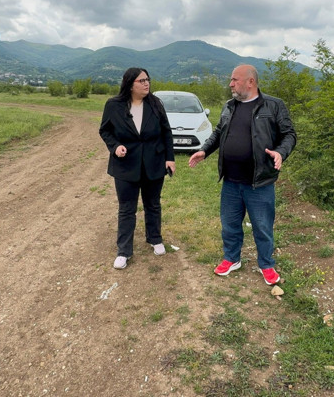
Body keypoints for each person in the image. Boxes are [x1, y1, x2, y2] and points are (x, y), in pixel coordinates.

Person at [188, 64, 296, 285]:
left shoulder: (273, 105)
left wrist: (280, 152)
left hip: (259, 182)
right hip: (231, 180)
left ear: (250, 82)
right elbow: (219, 132)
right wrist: (204, 150)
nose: (231, 84)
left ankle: (266, 264)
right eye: (231, 80)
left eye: (235, 80)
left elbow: (289, 135)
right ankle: (232, 258)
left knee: (262, 227)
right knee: (230, 224)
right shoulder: (229, 106)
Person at [99, 68, 176, 269]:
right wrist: (115, 147)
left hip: (154, 163)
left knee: (153, 204)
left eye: (147, 79)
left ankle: (155, 238)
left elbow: (166, 132)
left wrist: (170, 158)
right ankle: (124, 251)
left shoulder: (155, 104)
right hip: (125, 165)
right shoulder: (114, 105)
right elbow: (105, 131)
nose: (146, 83)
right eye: (141, 80)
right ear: (130, 84)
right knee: (127, 208)